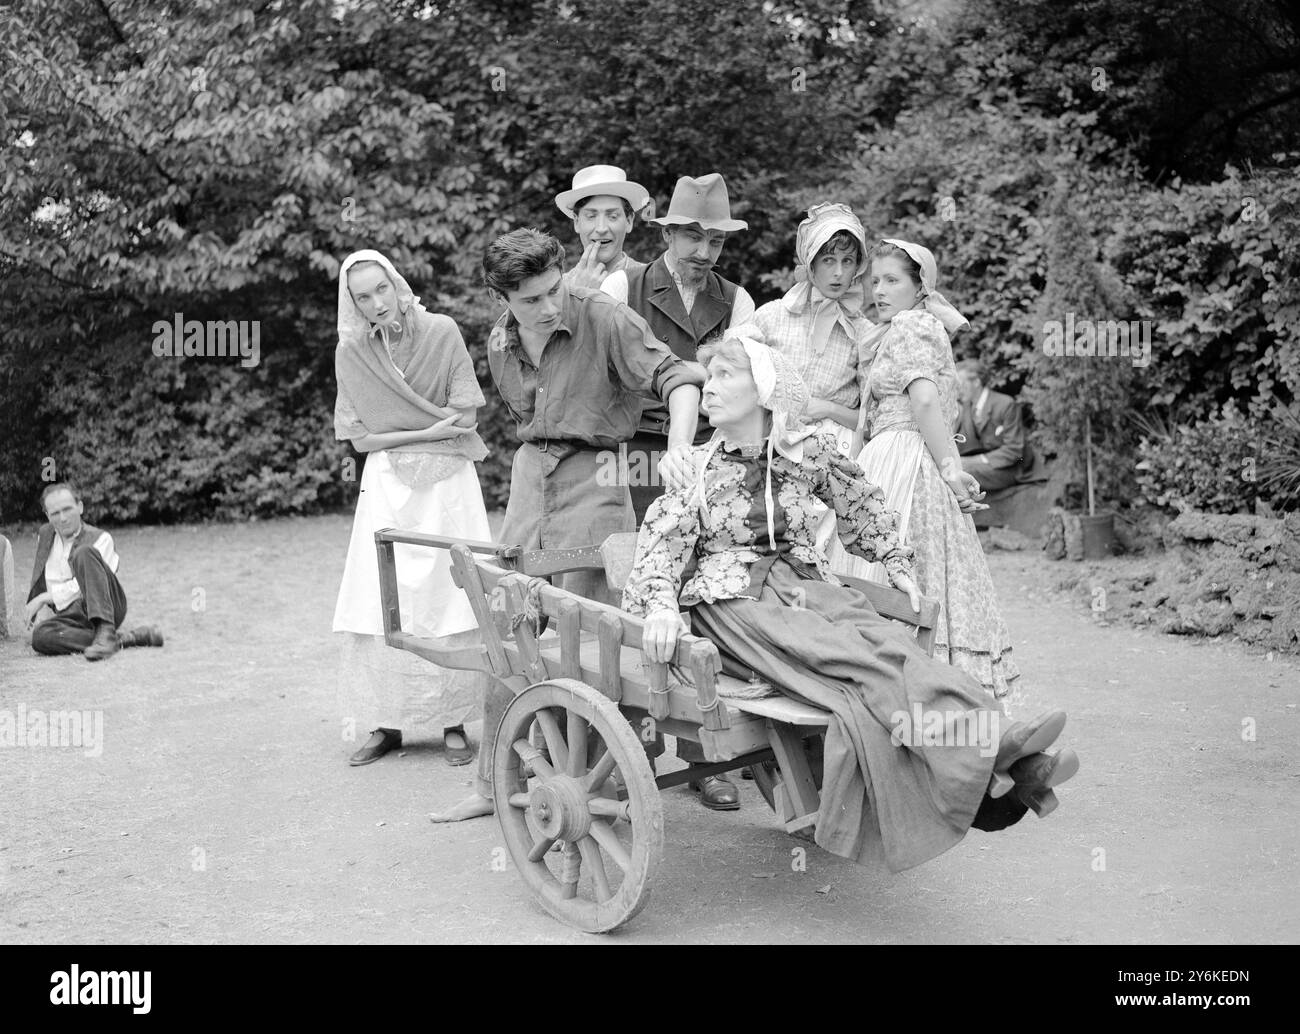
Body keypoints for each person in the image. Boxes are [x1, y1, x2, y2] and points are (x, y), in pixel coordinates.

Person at [622, 332, 1080, 871]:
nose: (709, 389)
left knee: (888, 642)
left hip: (805, 587)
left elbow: (863, 507)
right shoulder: (692, 468)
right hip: (736, 603)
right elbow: (658, 552)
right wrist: (659, 607)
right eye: (708, 377)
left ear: (764, 389)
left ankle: (1006, 750)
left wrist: (898, 566)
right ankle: (988, 767)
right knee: (857, 665)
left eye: (724, 376)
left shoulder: (806, 453)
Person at [428, 227, 705, 822]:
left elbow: (679, 377)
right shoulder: (500, 341)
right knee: (508, 624)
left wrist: (678, 447)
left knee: (592, 636)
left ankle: (606, 786)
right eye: (531, 299)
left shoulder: (603, 315)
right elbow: (524, 416)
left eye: (554, 290)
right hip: (531, 480)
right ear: (501, 296)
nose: (549, 306)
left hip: (600, 477)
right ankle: (490, 783)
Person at [840, 239, 1023, 710]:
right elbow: (894, 409)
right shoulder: (897, 329)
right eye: (874, 280)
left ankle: (921, 701)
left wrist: (948, 468)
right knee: (907, 571)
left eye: (892, 280)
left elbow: (918, 403)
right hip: (894, 461)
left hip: (902, 461)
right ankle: (919, 702)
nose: (878, 290)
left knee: (906, 570)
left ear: (921, 288)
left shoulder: (913, 325)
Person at [332, 249, 492, 768]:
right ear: (352, 303)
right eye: (363, 296)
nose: (377, 302)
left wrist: (403, 433)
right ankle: (386, 721)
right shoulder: (352, 352)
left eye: (382, 288)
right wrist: (424, 429)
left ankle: (451, 720)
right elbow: (359, 438)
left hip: (448, 482)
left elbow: (464, 413)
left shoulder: (442, 331)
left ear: (397, 284)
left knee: (450, 590)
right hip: (385, 482)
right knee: (385, 592)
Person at [602, 173, 756, 526]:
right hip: (631, 448)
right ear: (667, 233)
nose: (704, 253)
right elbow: (606, 371)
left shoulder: (737, 300)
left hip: (708, 450)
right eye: (693, 237)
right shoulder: (623, 286)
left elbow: (744, 379)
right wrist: (703, 370)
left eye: (716, 241)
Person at [753, 202, 875, 566]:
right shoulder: (772, 316)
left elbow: (871, 419)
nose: (838, 273)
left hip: (829, 456)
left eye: (848, 262)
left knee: (813, 556)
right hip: (768, 448)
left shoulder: (864, 333)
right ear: (809, 261)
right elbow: (734, 372)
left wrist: (827, 409)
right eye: (828, 261)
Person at [25, 482, 163, 660]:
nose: (63, 518)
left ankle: (105, 630)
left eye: (67, 509)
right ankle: (126, 639)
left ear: (80, 507)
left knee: (84, 552)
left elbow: (85, 587)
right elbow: (44, 577)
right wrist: (42, 616)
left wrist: (43, 598)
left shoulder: (102, 538)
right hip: (72, 615)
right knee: (41, 637)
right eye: (55, 513)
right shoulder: (45, 535)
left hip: (107, 605)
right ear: (47, 515)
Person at [953, 358, 1045, 491]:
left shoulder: (1005, 404)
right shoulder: (966, 407)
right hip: (984, 466)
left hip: (1010, 468)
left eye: (961, 384)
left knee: (962, 473)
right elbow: (960, 442)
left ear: (977, 382)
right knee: (950, 469)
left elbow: (1014, 451)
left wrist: (972, 461)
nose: (957, 390)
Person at [554, 164, 650, 290]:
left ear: (629, 221)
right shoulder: (556, 290)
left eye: (613, 216)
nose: (601, 228)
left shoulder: (650, 281)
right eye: (591, 216)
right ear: (576, 222)